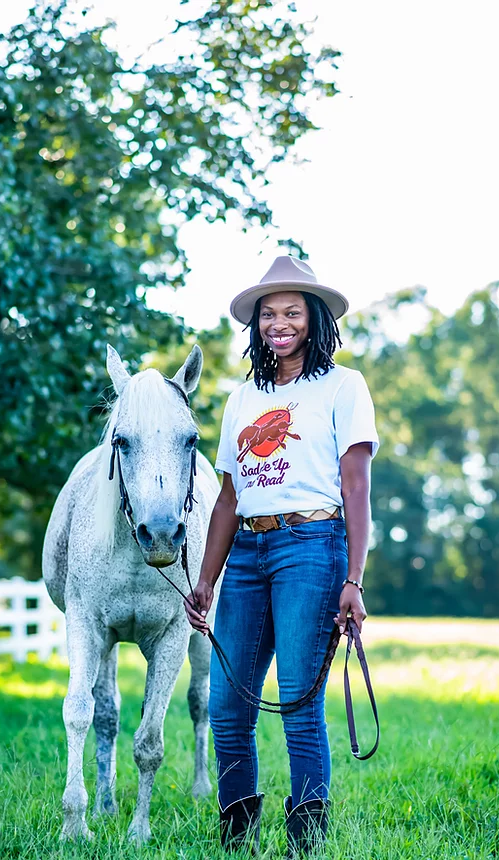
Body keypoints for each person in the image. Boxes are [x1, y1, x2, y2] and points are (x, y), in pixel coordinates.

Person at [184, 255, 379, 856]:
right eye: (269, 314)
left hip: (311, 549)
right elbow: (225, 500)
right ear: (257, 326)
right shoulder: (242, 398)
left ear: (315, 320)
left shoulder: (344, 386)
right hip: (244, 551)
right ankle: (237, 837)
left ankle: (306, 842)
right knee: (228, 703)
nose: (279, 323)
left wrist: (354, 578)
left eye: (293, 312)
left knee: (298, 701)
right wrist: (206, 580)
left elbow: (355, 487)